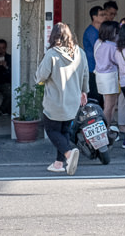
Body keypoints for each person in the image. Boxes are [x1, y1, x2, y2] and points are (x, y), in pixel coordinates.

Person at [35, 23, 89, 175]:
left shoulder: (52, 54)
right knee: (64, 130)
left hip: (55, 101)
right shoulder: (80, 52)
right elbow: (86, 74)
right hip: (73, 101)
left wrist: (38, 79)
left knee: (51, 130)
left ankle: (68, 153)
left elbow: (41, 76)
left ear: (53, 37)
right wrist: (84, 91)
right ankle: (59, 164)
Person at [94, 21, 121, 125]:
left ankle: (107, 127)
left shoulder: (98, 42)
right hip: (110, 76)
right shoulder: (112, 46)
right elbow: (117, 61)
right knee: (110, 106)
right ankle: (105, 129)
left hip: (100, 76)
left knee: (108, 104)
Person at [82, 6, 106, 105]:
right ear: (94, 17)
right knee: (95, 96)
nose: (104, 17)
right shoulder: (91, 32)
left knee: (101, 96)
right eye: (101, 15)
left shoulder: (99, 31)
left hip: (98, 68)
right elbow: (99, 49)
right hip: (92, 68)